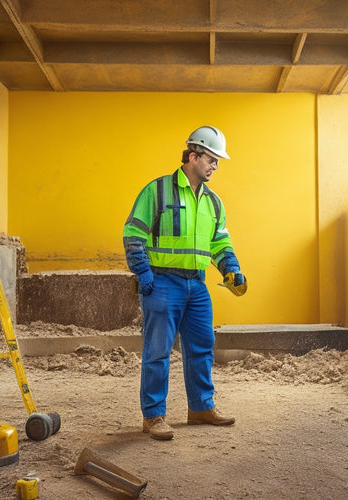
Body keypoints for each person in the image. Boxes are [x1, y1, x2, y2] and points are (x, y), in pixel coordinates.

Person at [123, 126, 247, 440]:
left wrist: (231, 269)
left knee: (203, 348)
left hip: (198, 286)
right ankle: (153, 416)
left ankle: (201, 408)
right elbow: (133, 235)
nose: (215, 166)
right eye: (212, 159)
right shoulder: (157, 191)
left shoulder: (214, 203)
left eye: (217, 161)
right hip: (162, 283)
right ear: (193, 155)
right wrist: (144, 272)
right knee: (158, 352)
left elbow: (220, 244)